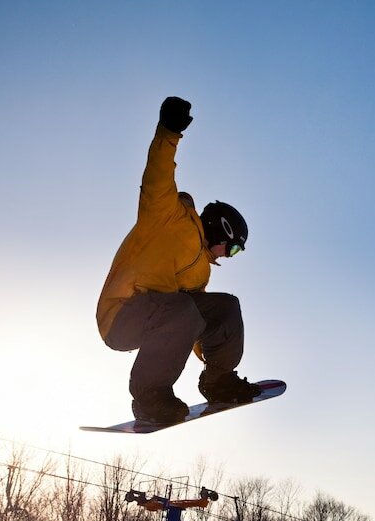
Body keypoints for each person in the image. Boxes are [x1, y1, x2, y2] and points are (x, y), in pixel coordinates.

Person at [96, 96, 261, 423]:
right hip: (121, 314)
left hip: (163, 315)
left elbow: (194, 323)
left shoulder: (200, 270)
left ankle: (218, 381)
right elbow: (157, 176)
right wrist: (169, 132)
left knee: (226, 307)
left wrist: (212, 358)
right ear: (221, 230)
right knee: (182, 308)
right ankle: (149, 395)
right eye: (233, 248)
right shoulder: (167, 215)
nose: (229, 256)